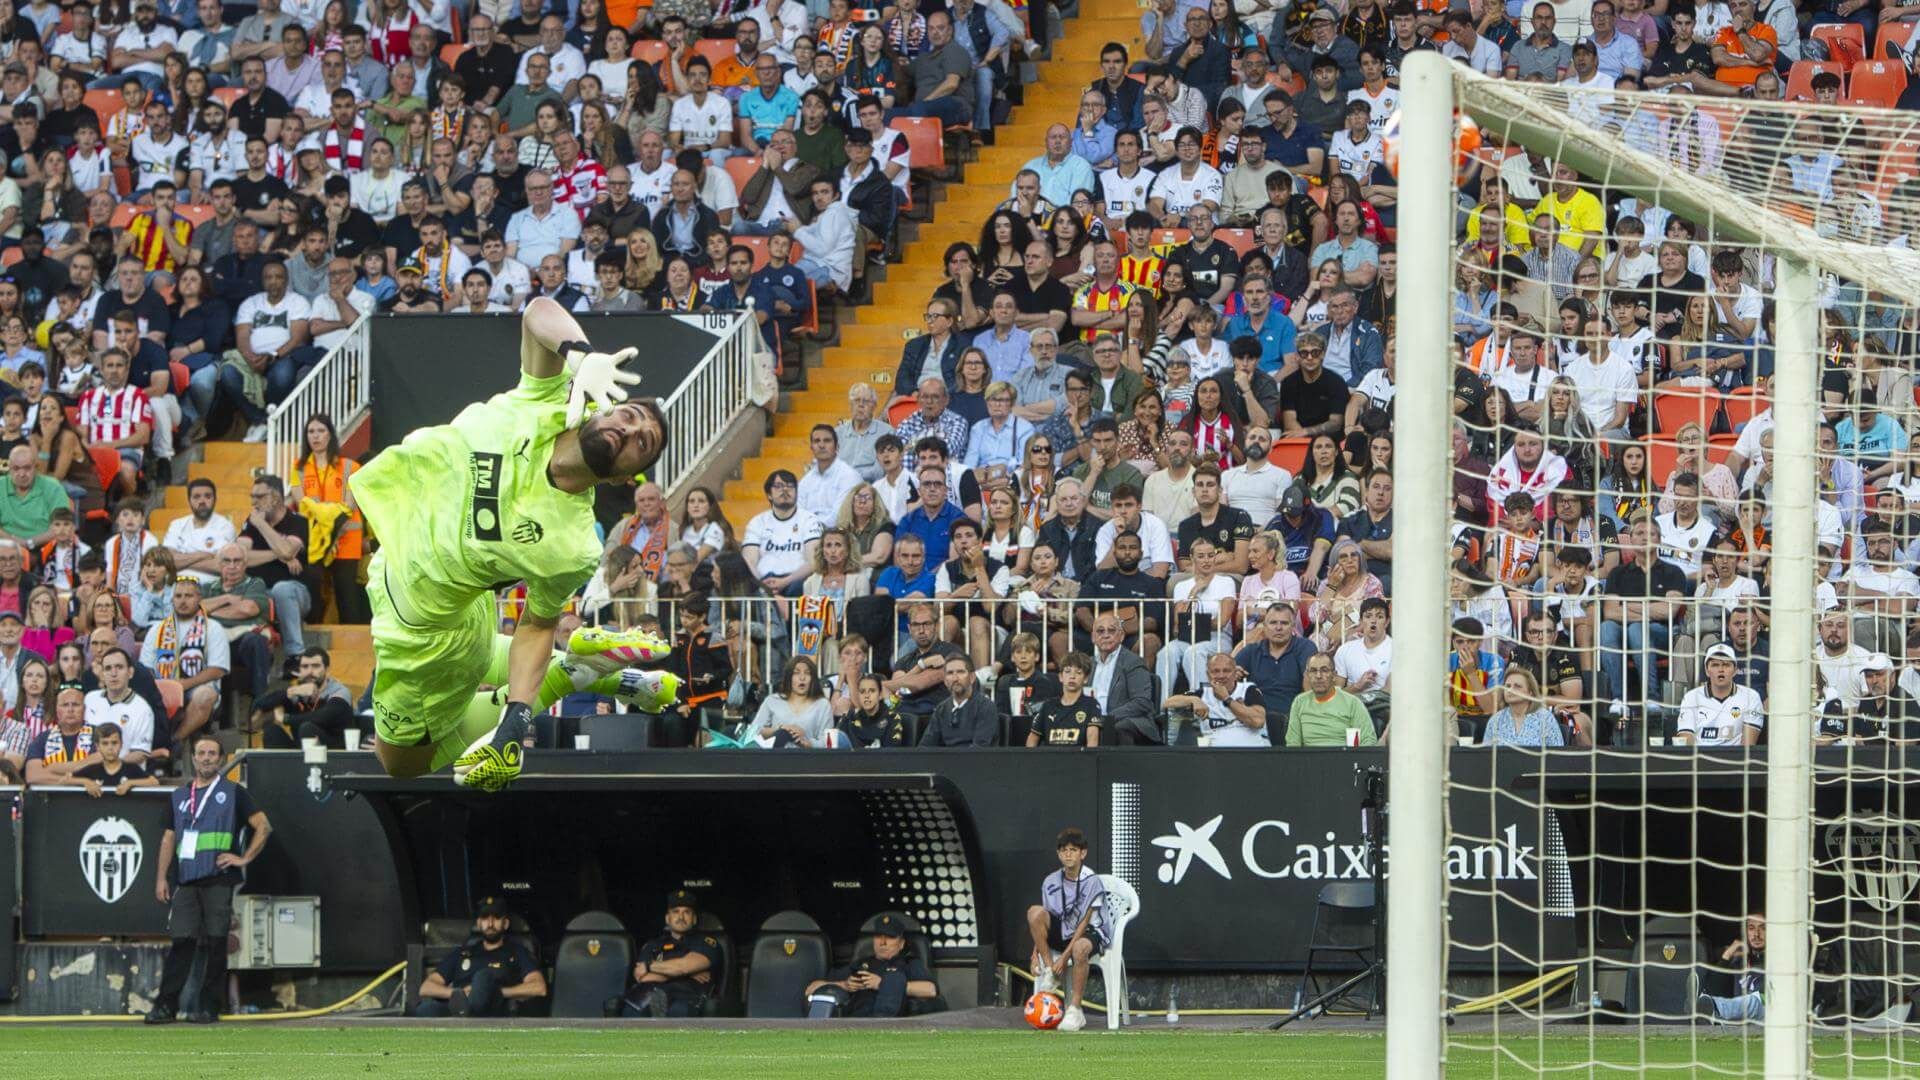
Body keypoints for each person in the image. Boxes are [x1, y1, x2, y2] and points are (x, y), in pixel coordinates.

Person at [346, 297, 679, 790]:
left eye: (641, 442)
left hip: (425, 631)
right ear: (604, 405)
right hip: (410, 574)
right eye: (629, 415)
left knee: (400, 764)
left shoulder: (571, 544)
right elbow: (538, 312)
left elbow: (537, 625)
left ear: (622, 478)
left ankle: (570, 675)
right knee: (480, 660)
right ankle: (593, 669)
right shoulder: (548, 399)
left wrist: (516, 720)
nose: (628, 429)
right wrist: (582, 355)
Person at [146, 732, 272, 1025]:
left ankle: (208, 1006)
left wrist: (244, 858)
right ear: (193, 758)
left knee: (216, 944)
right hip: (186, 880)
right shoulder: (178, 796)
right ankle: (166, 1007)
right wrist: (161, 878)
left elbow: (263, 826)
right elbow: (168, 839)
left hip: (219, 878)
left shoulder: (233, 792)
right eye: (201, 753)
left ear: (221, 759)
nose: (206, 758)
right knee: (182, 943)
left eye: (211, 754)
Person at [1026, 826, 1108, 1033]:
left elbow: (1083, 923)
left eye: (1073, 850)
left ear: (1083, 853)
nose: (1068, 854)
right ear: (1059, 854)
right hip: (1062, 931)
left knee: (1080, 948)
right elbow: (1042, 924)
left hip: (1088, 932)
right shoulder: (1051, 881)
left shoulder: (1092, 881)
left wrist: (1064, 957)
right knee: (1034, 912)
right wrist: (1034, 955)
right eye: (1064, 850)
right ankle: (1049, 971)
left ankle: (1075, 1009)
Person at [415, 896, 548, 1018]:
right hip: (459, 1008)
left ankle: (468, 1013)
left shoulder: (516, 952)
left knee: (483, 977)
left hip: (495, 1011)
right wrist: (457, 993)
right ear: (479, 923)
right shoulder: (463, 953)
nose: (490, 924)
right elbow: (426, 988)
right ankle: (465, 1011)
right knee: (426, 1009)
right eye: (485, 918)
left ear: (505, 923)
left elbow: (539, 987)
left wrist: (499, 992)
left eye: (496, 917)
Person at [804, 912, 938, 1018]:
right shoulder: (861, 965)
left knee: (894, 978)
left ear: (901, 944)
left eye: (890, 937)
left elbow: (930, 990)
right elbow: (812, 988)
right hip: (854, 1023)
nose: (883, 942)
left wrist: (882, 984)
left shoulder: (909, 963)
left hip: (890, 1024)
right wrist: (845, 985)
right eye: (879, 937)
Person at [617, 889, 721, 1018]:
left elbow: (683, 967)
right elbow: (641, 977)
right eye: (675, 912)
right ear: (668, 918)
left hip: (686, 997)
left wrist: (650, 966)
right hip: (650, 994)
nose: (681, 917)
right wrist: (686, 973)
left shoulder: (706, 942)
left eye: (687, 912)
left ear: (694, 919)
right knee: (632, 1008)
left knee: (678, 1010)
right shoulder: (652, 945)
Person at [251, 647, 356, 748]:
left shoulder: (339, 691)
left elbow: (323, 717)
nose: (310, 672)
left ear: (327, 670)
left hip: (334, 753)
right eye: (305, 667)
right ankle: (281, 766)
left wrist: (285, 718)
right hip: (301, 752)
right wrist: (291, 691)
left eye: (315, 666)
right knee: (271, 731)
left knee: (307, 728)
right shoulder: (298, 692)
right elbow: (258, 705)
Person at [1166, 649, 1269, 747]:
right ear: (1208, 675)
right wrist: (1193, 700)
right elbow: (1167, 703)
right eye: (1215, 671)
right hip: (1215, 757)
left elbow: (1258, 721)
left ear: (1235, 673)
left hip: (1253, 753)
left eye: (1226, 671)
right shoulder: (1203, 693)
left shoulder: (1249, 690)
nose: (1221, 675)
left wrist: (1227, 699)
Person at [1675, 643, 1764, 747]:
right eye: (1715, 665)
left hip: (1736, 760)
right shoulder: (1691, 697)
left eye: (1726, 665)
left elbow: (1748, 746)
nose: (1721, 669)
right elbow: (1686, 742)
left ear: (1735, 671)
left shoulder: (1751, 697)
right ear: (1707, 671)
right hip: (1700, 760)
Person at [1285, 653, 1378, 746]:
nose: (1318, 676)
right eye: (1313, 671)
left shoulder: (1352, 703)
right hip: (1310, 759)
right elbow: (1292, 743)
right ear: (1307, 675)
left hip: (1344, 758)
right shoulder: (1299, 702)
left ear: (1334, 675)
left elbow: (1368, 740)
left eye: (1324, 670)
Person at [1696, 913, 1765, 1023]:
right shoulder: (1739, 962)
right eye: (1751, 928)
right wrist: (1727, 955)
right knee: (1708, 995)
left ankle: (1714, 1008)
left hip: (1766, 1015)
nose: (1756, 934)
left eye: (1763, 928)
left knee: (1754, 1000)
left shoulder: (1779, 961)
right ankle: (1706, 1006)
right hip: (1739, 1021)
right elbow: (1714, 989)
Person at [920, 654, 997, 746]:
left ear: (972, 678)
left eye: (960, 672)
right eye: (950, 673)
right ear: (945, 681)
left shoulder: (986, 707)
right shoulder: (941, 709)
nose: (955, 678)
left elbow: (980, 750)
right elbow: (925, 747)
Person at [1026, 651, 1100, 747]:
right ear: (1060, 677)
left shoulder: (1091, 705)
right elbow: (1032, 740)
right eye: (1068, 671)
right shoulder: (1048, 706)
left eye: (1078, 673)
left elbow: (1092, 743)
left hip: (1079, 760)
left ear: (1085, 678)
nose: (1072, 677)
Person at [70, 720, 156, 796]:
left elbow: (154, 782)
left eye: (114, 743)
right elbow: (65, 780)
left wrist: (130, 783)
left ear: (121, 744)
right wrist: (86, 782)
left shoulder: (131, 768)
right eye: (105, 743)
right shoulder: (92, 769)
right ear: (97, 746)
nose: (110, 748)